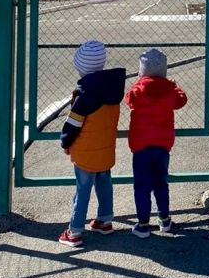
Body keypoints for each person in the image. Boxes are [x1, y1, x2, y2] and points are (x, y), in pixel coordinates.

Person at [58, 40, 126, 247]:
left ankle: (74, 231)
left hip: (86, 151)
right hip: (106, 149)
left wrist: (65, 142)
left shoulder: (84, 95)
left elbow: (73, 125)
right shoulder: (113, 89)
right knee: (104, 184)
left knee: (83, 190)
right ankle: (104, 221)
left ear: (81, 68)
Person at [125, 48, 187, 238]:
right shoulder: (169, 90)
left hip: (141, 146)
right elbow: (181, 100)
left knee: (141, 185)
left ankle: (143, 224)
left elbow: (129, 100)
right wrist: (175, 86)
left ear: (142, 70)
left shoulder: (138, 90)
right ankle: (164, 219)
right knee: (161, 183)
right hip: (162, 145)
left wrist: (139, 81)